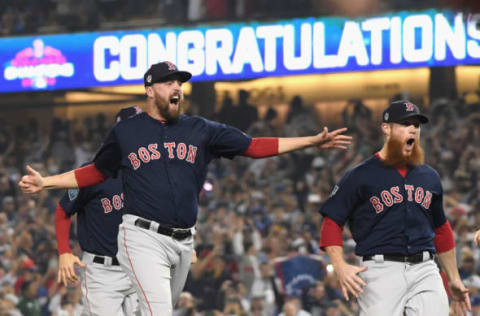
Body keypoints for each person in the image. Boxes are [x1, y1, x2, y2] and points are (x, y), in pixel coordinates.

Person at [18, 61, 352, 316]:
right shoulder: (127, 133)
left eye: (179, 82)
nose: (176, 87)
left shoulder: (200, 129)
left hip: (181, 241)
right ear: (150, 90)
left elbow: (253, 145)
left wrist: (310, 141)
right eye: (168, 82)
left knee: (163, 307)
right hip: (139, 237)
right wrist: (47, 182)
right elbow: (93, 172)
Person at [319, 100, 471, 316]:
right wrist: (340, 266)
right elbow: (331, 221)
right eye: (405, 123)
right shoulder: (360, 175)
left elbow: (441, 228)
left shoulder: (429, 176)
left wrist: (454, 279)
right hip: (380, 271)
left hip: (425, 269)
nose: (413, 129)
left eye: (416, 125)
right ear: (386, 128)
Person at [55, 106, 141, 316]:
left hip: (139, 267)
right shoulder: (92, 171)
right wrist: (64, 251)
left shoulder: (148, 172)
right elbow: (62, 211)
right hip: (103, 271)